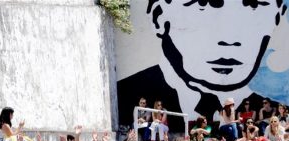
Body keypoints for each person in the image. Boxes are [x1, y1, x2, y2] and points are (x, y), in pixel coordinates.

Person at [117, 0, 287, 132]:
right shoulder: (123, 96)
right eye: (202, 4)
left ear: (278, 16)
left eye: (253, 4)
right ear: (158, 17)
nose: (229, 40)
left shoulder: (268, 103)